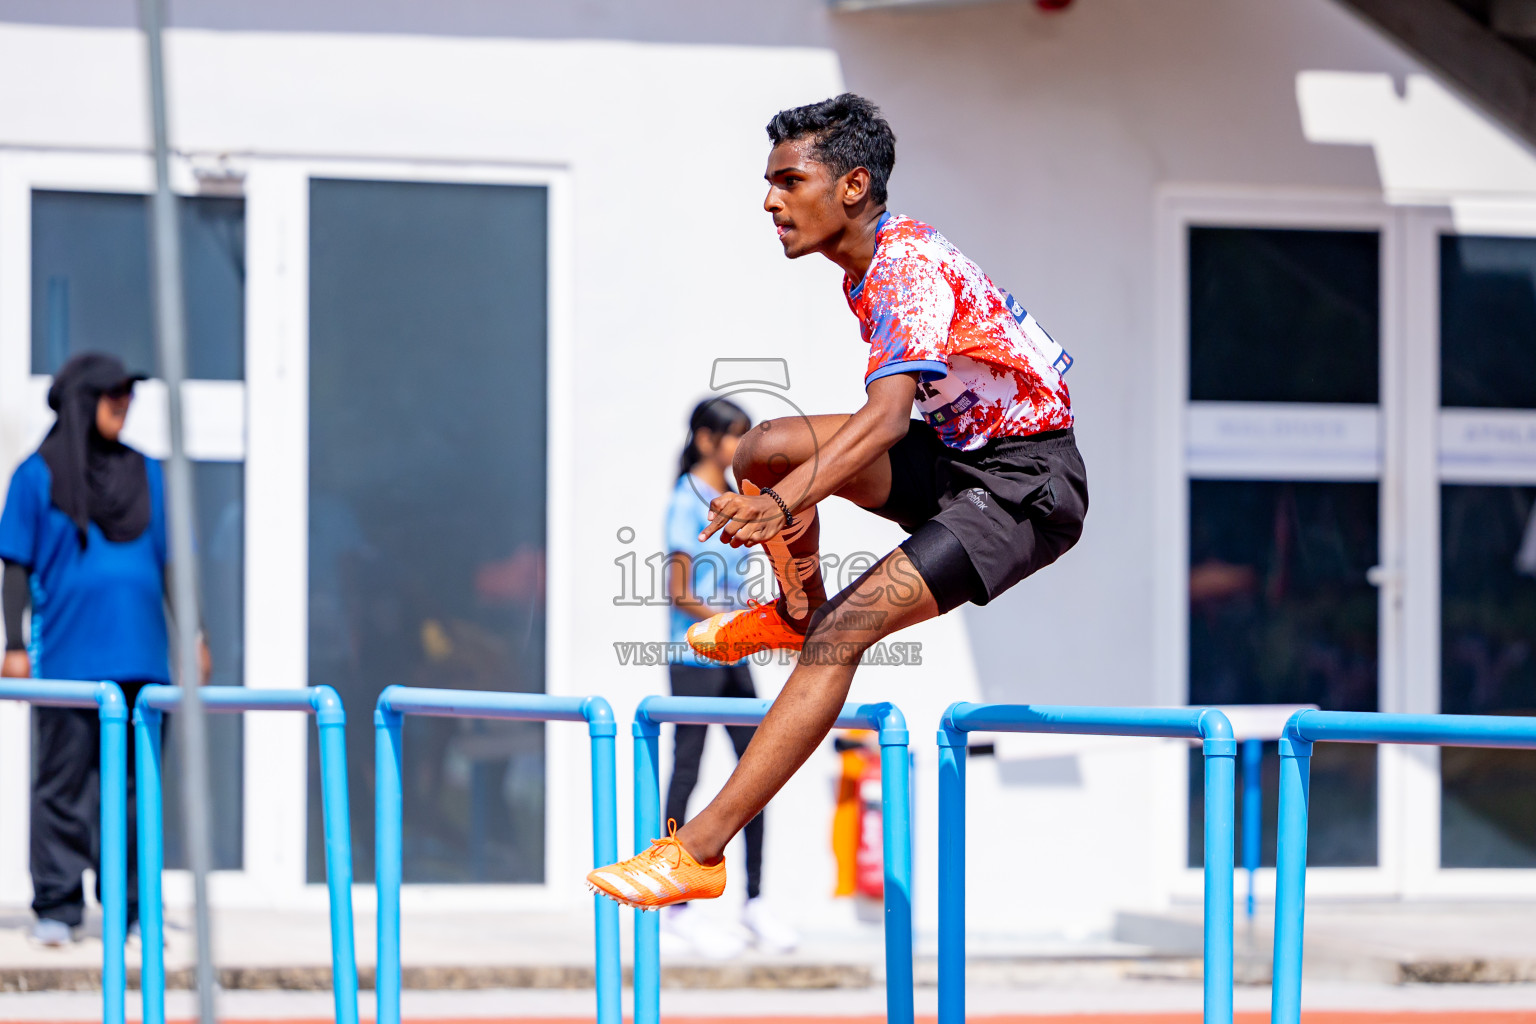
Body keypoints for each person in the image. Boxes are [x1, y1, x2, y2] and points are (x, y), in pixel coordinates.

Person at [588, 94, 1087, 907]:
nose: (770, 200)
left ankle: (700, 853)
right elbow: (881, 425)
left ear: (853, 186)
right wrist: (781, 488)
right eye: (768, 181)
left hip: (1027, 487)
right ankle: (793, 607)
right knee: (768, 446)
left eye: (789, 180)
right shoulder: (866, 269)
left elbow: (886, 420)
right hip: (961, 461)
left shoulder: (904, 271)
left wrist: (783, 508)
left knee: (843, 634)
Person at [0, 352, 209, 947]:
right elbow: (14, 565)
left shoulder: (149, 474)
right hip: (67, 665)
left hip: (141, 661)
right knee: (63, 788)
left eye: (128, 396)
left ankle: (134, 909)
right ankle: (59, 907)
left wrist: (195, 634)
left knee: (137, 791)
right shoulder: (36, 476)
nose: (124, 406)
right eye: (112, 395)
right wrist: (14, 643)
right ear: (81, 402)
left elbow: (176, 564)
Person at [659, 398, 798, 956]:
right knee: (686, 774)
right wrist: (732, 624)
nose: (739, 449)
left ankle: (755, 902)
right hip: (695, 658)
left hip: (733, 656)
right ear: (703, 438)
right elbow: (679, 591)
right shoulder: (684, 500)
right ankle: (675, 905)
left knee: (757, 770)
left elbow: (742, 587)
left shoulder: (735, 501)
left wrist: (773, 628)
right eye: (732, 438)